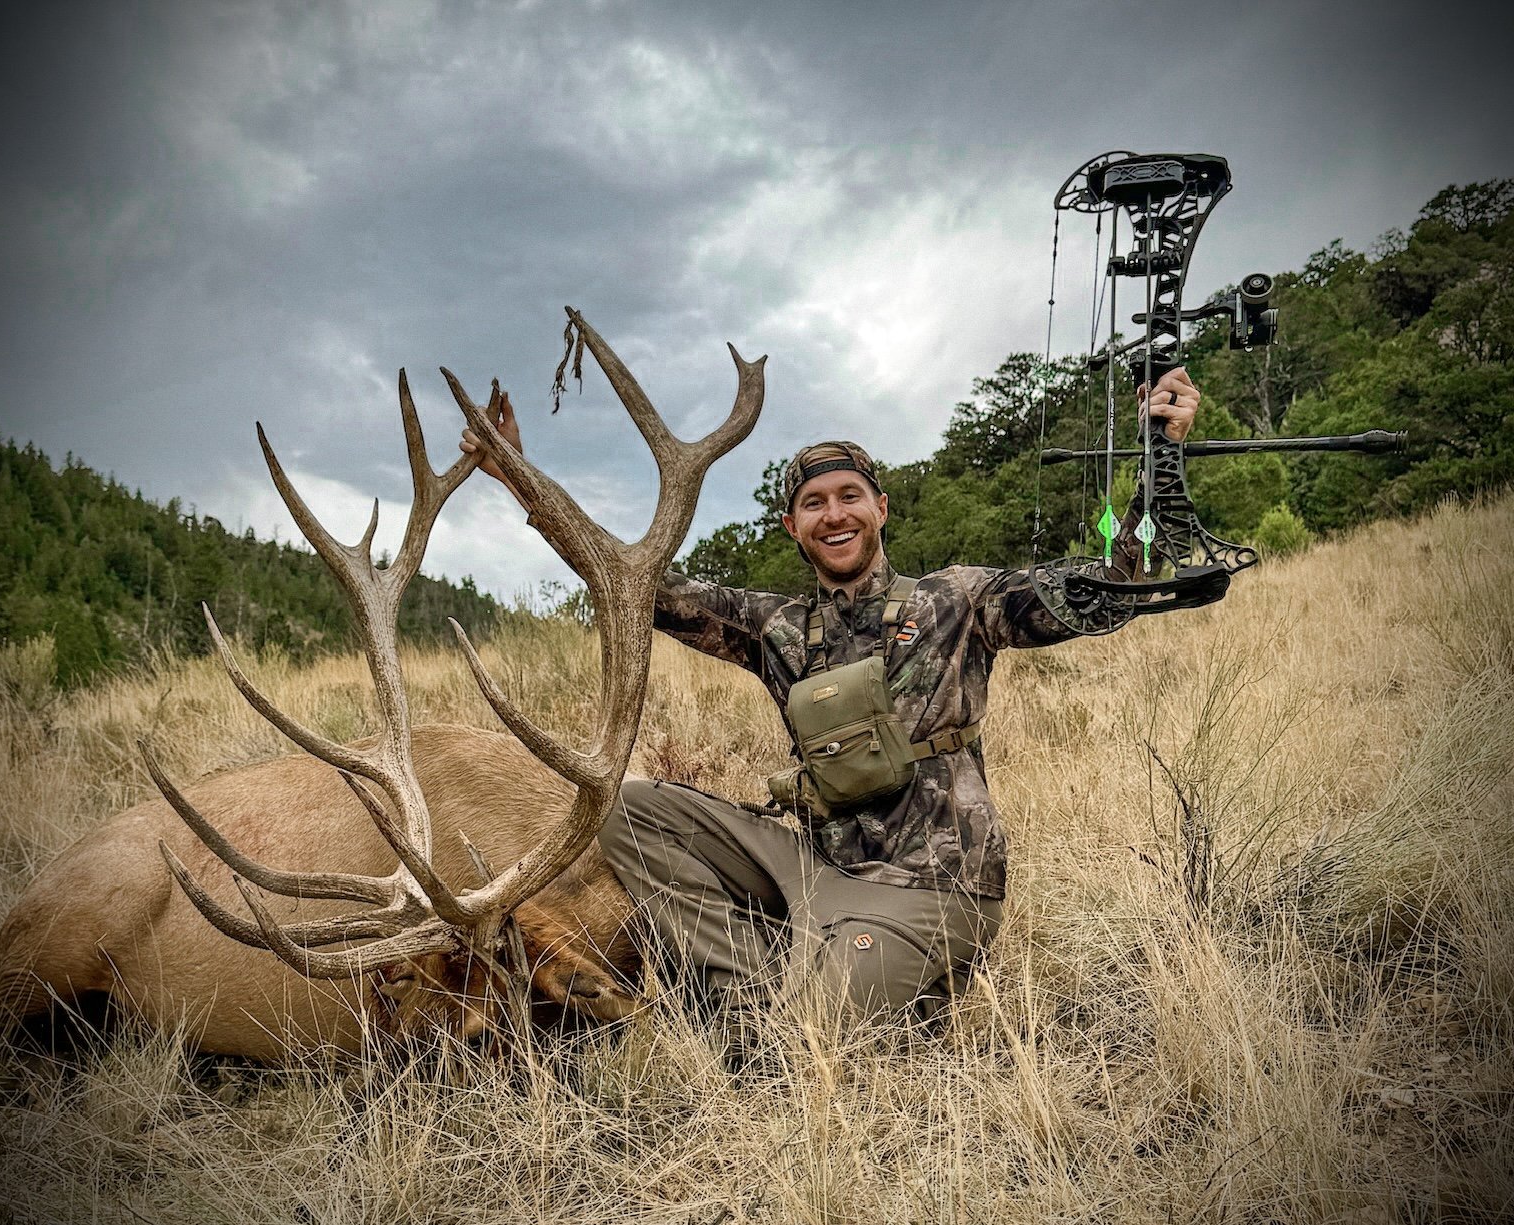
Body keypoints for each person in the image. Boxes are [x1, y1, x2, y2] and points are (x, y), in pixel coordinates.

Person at [461, 367, 1203, 1022]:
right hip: (817, 870)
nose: (834, 513)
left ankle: (804, 993)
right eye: (814, 503)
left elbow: (1109, 584)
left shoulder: (959, 600)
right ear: (793, 527)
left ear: (881, 508)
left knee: (807, 1036)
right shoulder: (774, 628)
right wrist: (522, 478)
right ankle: (755, 989)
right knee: (632, 811)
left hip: (933, 888)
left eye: (850, 495)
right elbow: (633, 578)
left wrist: (1157, 461)